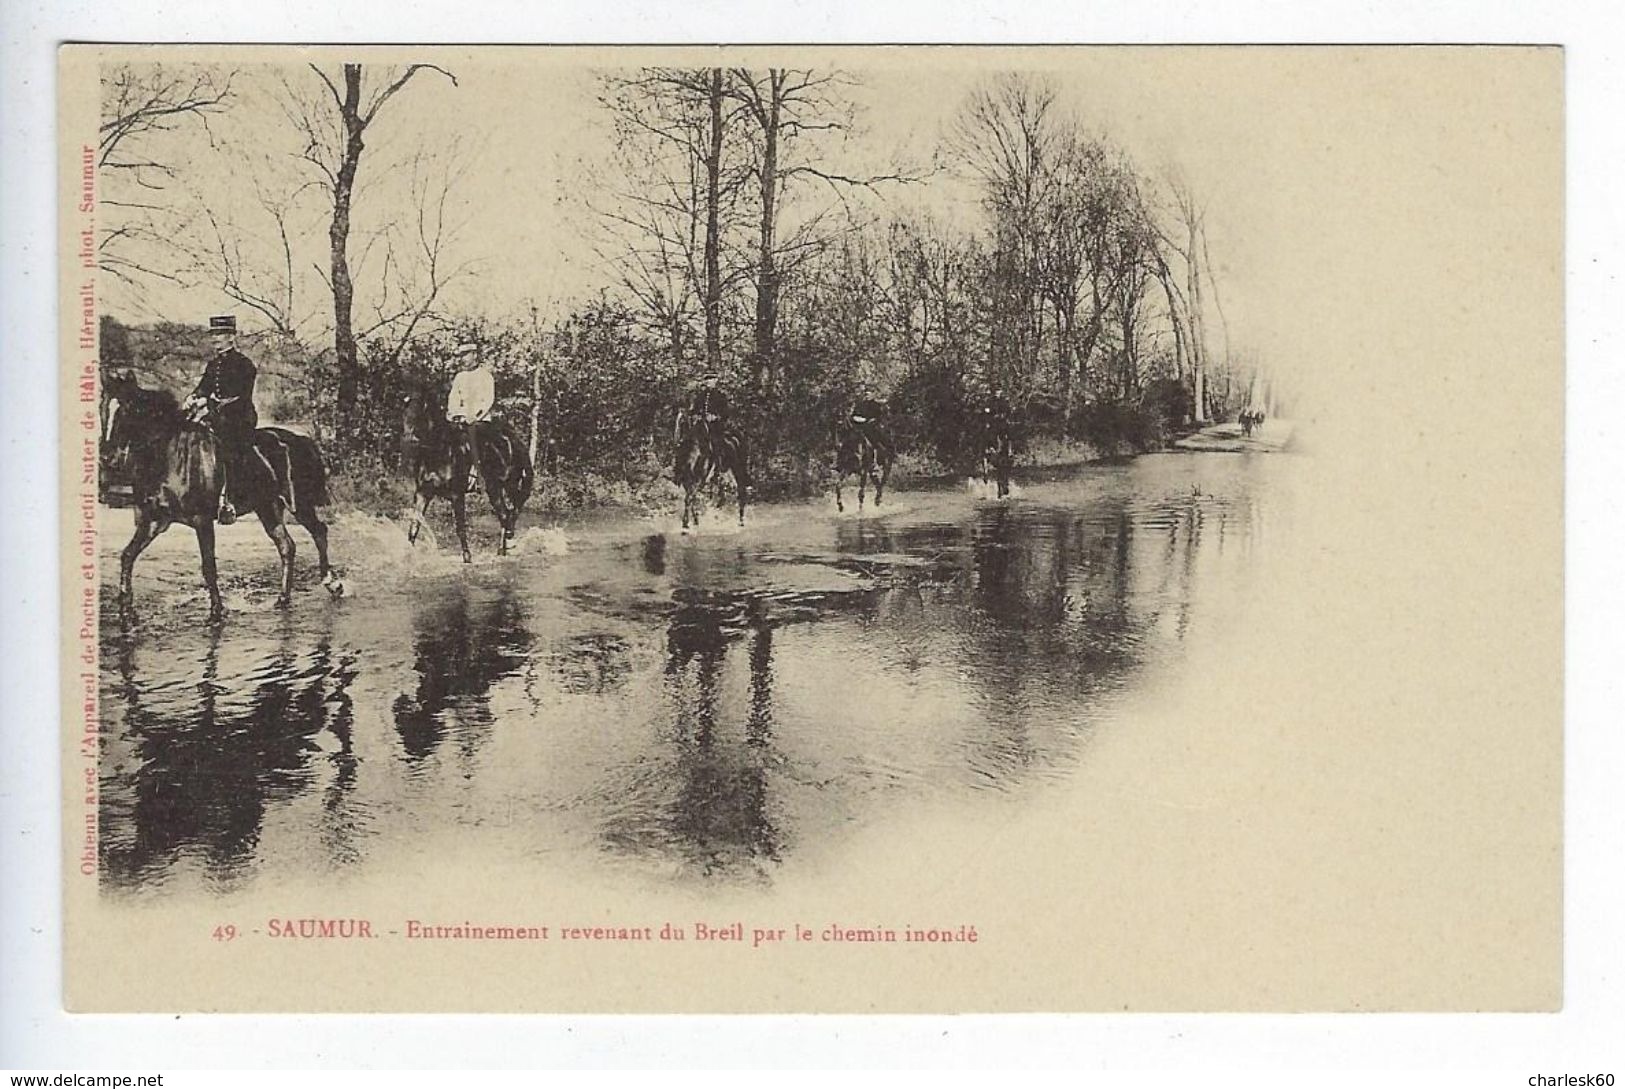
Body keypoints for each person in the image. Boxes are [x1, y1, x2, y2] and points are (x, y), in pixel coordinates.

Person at [184, 315, 261, 524]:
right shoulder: (213, 365)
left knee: (227, 449)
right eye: (214, 334)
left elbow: (239, 396)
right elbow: (204, 387)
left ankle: (230, 500)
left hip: (239, 417)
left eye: (220, 334)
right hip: (216, 417)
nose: (215, 339)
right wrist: (192, 398)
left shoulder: (244, 364)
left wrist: (209, 405)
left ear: (231, 337)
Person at [446, 338, 496, 491]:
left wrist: (475, 416)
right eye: (461, 355)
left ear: (474, 355)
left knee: (474, 435)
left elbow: (488, 399)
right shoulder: (459, 377)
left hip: (480, 419)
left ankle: (476, 474)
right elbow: (453, 398)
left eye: (466, 354)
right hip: (461, 418)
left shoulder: (485, 376)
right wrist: (454, 413)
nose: (463, 359)